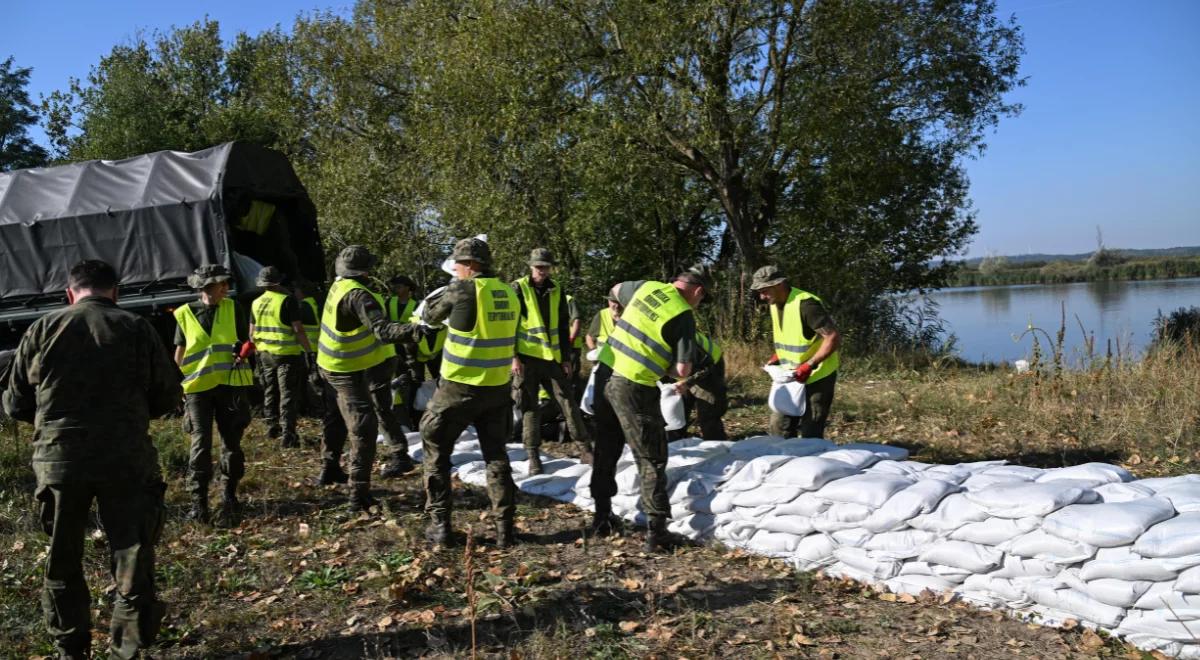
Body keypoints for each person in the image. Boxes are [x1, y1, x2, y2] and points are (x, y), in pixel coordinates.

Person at [2, 259, 181, 659]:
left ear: (70, 293)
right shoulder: (136, 328)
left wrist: (52, 422)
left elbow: (14, 402)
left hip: (60, 460)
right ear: (115, 292)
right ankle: (127, 651)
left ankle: (70, 650)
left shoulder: (42, 329)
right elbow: (166, 397)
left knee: (63, 561)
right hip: (125, 460)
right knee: (132, 557)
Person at [588, 265, 711, 552]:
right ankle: (657, 532)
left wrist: (622, 317)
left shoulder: (648, 288)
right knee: (651, 456)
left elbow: (617, 287)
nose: (699, 303)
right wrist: (665, 365)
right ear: (698, 291)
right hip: (634, 386)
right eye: (702, 298)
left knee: (606, 448)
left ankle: (602, 516)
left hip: (605, 373)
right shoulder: (683, 315)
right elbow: (682, 368)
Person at [420, 238, 521, 547]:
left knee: (435, 450)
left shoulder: (463, 289)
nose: (456, 269)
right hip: (497, 388)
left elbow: (429, 317)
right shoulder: (509, 292)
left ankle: (440, 528)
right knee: (496, 457)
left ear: (471, 265)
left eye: (458, 264)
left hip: (459, 387)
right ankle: (505, 531)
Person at [317, 246, 424, 510]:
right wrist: (418, 330)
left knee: (337, 417)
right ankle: (358, 493)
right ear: (365, 271)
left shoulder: (339, 285)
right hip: (348, 368)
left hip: (331, 363)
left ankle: (330, 466)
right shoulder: (358, 296)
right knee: (364, 426)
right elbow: (382, 330)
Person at [174, 264, 255, 525]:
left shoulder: (233, 308)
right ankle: (199, 506)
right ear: (205, 288)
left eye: (225, 284)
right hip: (198, 390)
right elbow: (179, 356)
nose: (226, 289)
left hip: (229, 387)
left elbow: (246, 342)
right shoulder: (184, 314)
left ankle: (230, 497)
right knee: (200, 446)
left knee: (231, 444)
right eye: (221, 285)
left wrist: (243, 352)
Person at [510, 248, 593, 472]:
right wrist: (513, 357)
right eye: (538, 267)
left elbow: (563, 324)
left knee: (568, 402)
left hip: (552, 359)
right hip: (526, 359)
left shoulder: (556, 289)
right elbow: (508, 326)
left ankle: (585, 449)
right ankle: (533, 456)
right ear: (530, 267)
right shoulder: (518, 288)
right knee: (530, 408)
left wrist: (565, 358)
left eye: (545, 267)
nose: (542, 272)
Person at [750, 265, 842, 439]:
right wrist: (778, 357)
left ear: (779, 284)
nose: (762, 296)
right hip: (790, 377)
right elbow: (794, 337)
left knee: (811, 430)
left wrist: (809, 365)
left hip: (817, 377)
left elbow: (832, 337)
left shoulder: (806, 304)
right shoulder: (774, 303)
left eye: (765, 291)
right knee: (779, 426)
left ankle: (812, 462)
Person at [250, 266, 313, 449]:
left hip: (265, 354)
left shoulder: (256, 303)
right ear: (279, 282)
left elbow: (251, 333)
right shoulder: (287, 301)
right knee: (288, 395)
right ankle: (289, 435)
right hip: (286, 355)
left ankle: (271, 427)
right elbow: (297, 329)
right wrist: (309, 351)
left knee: (270, 390)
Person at [678, 331, 728, 440]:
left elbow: (705, 368)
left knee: (708, 410)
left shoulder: (685, 342)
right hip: (688, 368)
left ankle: (716, 443)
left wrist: (688, 382)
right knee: (678, 408)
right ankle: (676, 442)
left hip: (710, 366)